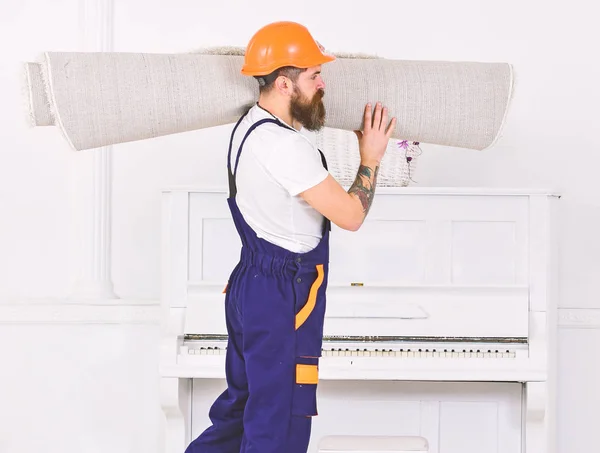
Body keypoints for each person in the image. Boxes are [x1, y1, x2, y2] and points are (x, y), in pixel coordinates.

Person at [185, 21, 396, 453]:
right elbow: (352, 215)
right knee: (277, 428)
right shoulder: (285, 148)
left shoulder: (249, 126)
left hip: (252, 284)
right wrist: (371, 158)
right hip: (284, 294)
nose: (323, 85)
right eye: (314, 76)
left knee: (239, 417)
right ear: (284, 83)